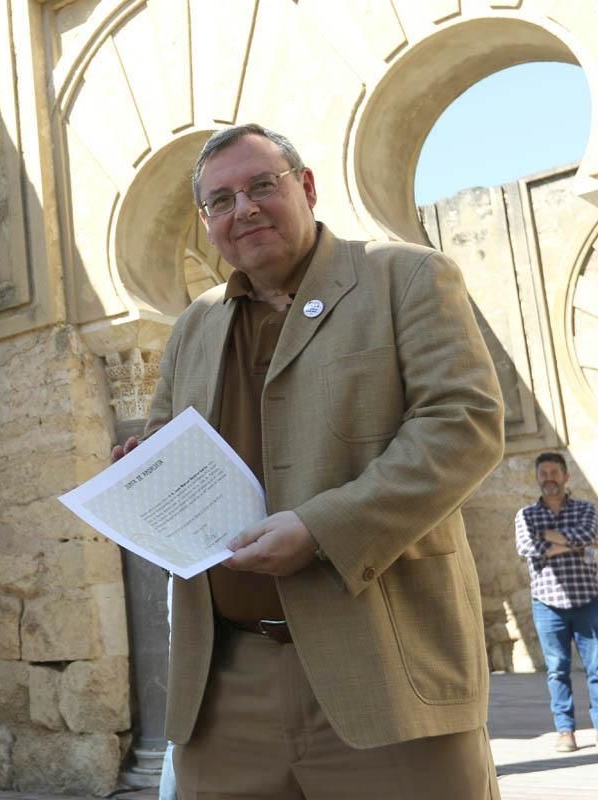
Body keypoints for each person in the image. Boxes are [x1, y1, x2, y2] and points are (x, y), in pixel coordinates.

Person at [113, 124, 505, 798]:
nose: (245, 210)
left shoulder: (405, 277)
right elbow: (170, 449)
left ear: (307, 186)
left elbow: (461, 426)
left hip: (383, 669)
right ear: (206, 223)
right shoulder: (193, 329)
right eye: (222, 201)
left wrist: (323, 530)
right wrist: (145, 471)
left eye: (262, 185)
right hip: (224, 687)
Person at [514, 451, 598, 753]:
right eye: (543, 473)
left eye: (554, 473)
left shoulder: (586, 509)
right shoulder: (525, 515)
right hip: (547, 604)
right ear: (538, 478)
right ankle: (565, 731)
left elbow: (590, 533)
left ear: (565, 476)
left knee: (597, 668)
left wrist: (548, 539)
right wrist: (574, 544)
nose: (548, 478)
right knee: (557, 669)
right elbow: (527, 548)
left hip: (588, 599)